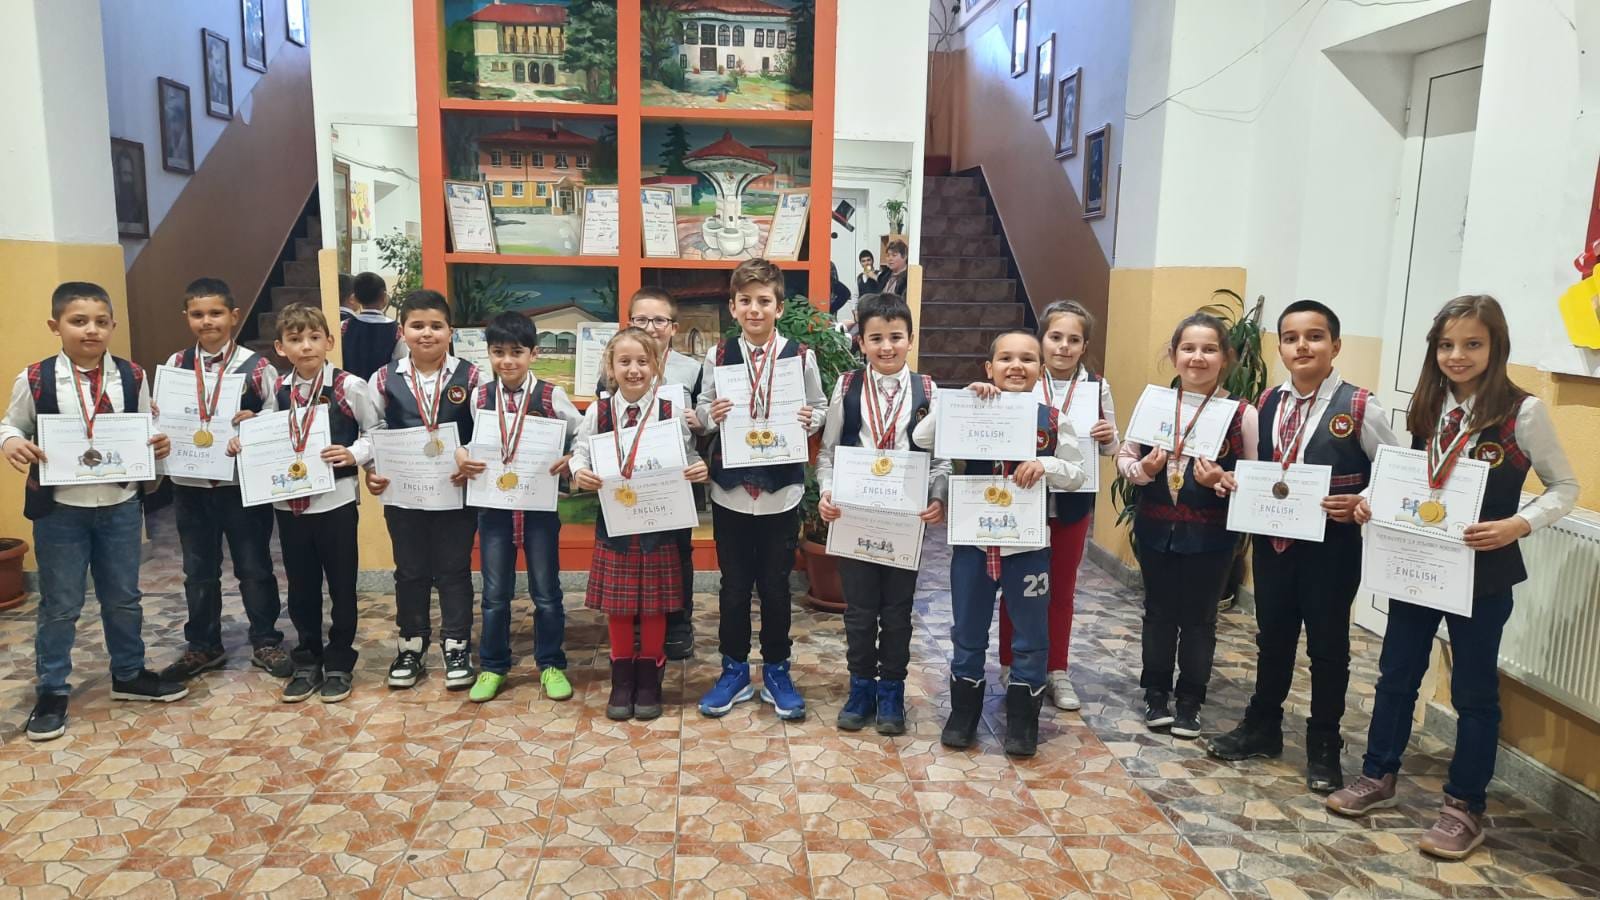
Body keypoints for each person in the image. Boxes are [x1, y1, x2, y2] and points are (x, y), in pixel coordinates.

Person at [1327, 295, 1578, 860]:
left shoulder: (1523, 412)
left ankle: (1465, 806)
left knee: (1473, 691)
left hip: (1483, 573)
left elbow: (1566, 487)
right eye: (1446, 345)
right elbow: (1406, 478)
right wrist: (1369, 500)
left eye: (1472, 344)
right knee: (1396, 675)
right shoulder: (1428, 404)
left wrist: (1518, 523)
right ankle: (1377, 774)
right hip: (1419, 563)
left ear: (1496, 347)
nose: (1457, 355)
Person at [1206, 300, 1399, 794]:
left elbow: (1395, 472)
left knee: (1328, 646)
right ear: (1280, 348)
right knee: (1272, 637)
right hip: (1275, 543)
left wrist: (1362, 498)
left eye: (1315, 336)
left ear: (1336, 345)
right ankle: (1262, 726)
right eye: (1291, 338)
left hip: (1331, 547)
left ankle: (1323, 743)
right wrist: (1233, 481)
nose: (1302, 346)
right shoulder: (1267, 401)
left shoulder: (1360, 406)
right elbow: (1259, 466)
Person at [1, 282, 183, 741]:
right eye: (78, 321)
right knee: (61, 604)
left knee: (123, 597)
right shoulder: (36, 378)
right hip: (60, 509)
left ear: (113, 326)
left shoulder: (131, 376)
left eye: (101, 322)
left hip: (119, 506)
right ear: (55, 325)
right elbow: (11, 424)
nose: (91, 330)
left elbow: (147, 425)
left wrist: (158, 441)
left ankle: (129, 673)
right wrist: (12, 442)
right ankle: (52, 690)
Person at [916, 331, 1085, 757]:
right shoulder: (970, 408)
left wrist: (1045, 464)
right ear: (989, 368)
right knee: (967, 630)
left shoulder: (1052, 419)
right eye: (1006, 358)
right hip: (973, 544)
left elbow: (1077, 473)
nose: (1016, 366)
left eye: (1027, 359)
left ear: (1040, 370)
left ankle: (1023, 720)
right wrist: (960, 401)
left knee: (1030, 634)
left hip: (1027, 546)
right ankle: (964, 713)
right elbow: (922, 437)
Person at [695, 259, 828, 721]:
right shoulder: (718, 356)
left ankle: (776, 669)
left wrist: (812, 418)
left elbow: (819, 406)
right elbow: (701, 411)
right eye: (746, 301)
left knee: (775, 586)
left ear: (779, 307)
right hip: (730, 489)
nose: (755, 309)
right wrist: (711, 414)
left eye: (764, 301)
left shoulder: (800, 356)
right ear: (733, 307)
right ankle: (733, 670)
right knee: (733, 587)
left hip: (779, 489)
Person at [1115, 312, 1258, 740]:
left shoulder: (1242, 414)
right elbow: (1125, 456)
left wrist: (1222, 480)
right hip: (1156, 527)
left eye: (1209, 349)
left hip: (1211, 534)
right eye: (1188, 348)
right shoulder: (1155, 404)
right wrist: (1143, 469)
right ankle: (1156, 693)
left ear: (1226, 357)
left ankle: (1191, 699)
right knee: (1157, 612)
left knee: (1199, 618)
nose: (1198, 357)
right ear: (1174, 354)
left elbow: (1256, 477)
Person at [235, 304, 381, 703]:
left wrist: (353, 453)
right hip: (289, 505)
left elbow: (375, 431)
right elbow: (266, 434)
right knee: (300, 587)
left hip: (335, 502)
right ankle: (307, 658)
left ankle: (339, 661)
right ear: (281, 348)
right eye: (295, 339)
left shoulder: (350, 386)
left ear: (329, 342)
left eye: (314, 338)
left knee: (342, 585)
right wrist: (243, 440)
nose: (306, 346)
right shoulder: (277, 390)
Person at [816, 293, 947, 735]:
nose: (886, 346)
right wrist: (827, 492)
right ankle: (860, 688)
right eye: (876, 338)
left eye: (895, 337)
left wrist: (938, 497)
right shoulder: (846, 386)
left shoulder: (928, 390)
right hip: (854, 516)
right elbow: (829, 452)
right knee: (858, 609)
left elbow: (941, 459)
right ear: (861, 342)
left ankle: (891, 689)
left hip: (905, 521)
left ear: (910, 339)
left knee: (897, 610)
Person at [571, 328, 708, 720]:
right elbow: (579, 451)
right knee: (618, 607)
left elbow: (686, 457)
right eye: (625, 362)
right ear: (610, 368)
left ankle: (649, 678)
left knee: (654, 607)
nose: (634, 370)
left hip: (658, 524)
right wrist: (579, 470)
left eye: (643, 362)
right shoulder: (598, 413)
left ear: (656, 367)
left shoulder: (668, 412)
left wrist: (697, 468)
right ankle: (622, 678)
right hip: (616, 524)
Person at [157, 278, 289, 684]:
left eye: (215, 313)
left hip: (239, 486)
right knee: (198, 570)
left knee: (254, 566)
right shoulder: (175, 365)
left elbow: (278, 416)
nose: (207, 321)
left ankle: (265, 640)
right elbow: (161, 417)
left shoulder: (257, 367)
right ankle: (204, 645)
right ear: (187, 317)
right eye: (197, 314)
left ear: (233, 316)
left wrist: (257, 421)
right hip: (190, 485)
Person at [994, 301, 1118, 713]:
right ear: (1042, 339)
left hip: (1071, 502)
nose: (1063, 347)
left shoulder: (1097, 388)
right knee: (1017, 585)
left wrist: (1108, 437)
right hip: (1021, 497)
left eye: (1074, 340)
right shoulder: (1022, 378)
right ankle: (1011, 663)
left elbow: (1111, 449)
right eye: (1055, 337)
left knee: (1061, 588)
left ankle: (1057, 669)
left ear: (1085, 346)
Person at [456, 312, 582, 702]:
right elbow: (468, 440)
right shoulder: (480, 397)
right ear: (488, 354)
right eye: (498, 352)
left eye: (516, 352)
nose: (507, 361)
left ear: (533, 353)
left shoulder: (550, 395)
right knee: (495, 594)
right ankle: (493, 666)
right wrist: (462, 455)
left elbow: (582, 434)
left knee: (546, 592)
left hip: (539, 509)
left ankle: (551, 664)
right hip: (494, 510)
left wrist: (572, 458)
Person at [365, 290, 484, 690]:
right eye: (417, 326)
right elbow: (372, 431)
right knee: (410, 571)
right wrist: (371, 469)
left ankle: (456, 644)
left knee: (454, 570)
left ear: (451, 331)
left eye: (436, 326)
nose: (427, 333)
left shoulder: (473, 377)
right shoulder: (384, 378)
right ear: (402, 331)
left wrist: (470, 457)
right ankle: (411, 645)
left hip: (455, 492)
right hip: (403, 493)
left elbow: (485, 431)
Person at [595, 288, 706, 660]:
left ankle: (678, 624)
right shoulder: (613, 366)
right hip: (626, 483)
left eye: (659, 320)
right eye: (641, 319)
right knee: (629, 554)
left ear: (673, 327)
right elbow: (603, 423)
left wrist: (701, 425)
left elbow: (705, 426)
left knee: (676, 553)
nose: (651, 326)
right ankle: (634, 623)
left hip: (673, 482)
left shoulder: (692, 369)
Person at [341, 272, 407, 380]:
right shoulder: (397, 331)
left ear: (355, 298)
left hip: (348, 387)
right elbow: (401, 364)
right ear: (384, 297)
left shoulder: (344, 326)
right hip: (383, 388)